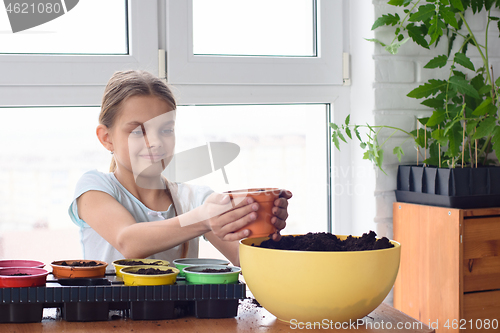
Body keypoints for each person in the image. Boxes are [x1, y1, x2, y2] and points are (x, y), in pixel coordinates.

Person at [68, 70, 292, 267]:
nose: (154, 141)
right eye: (138, 131)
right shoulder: (94, 188)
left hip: (178, 316)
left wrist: (265, 224)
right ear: (107, 138)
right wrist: (203, 220)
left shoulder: (194, 199)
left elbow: (242, 256)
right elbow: (128, 241)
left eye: (165, 130)